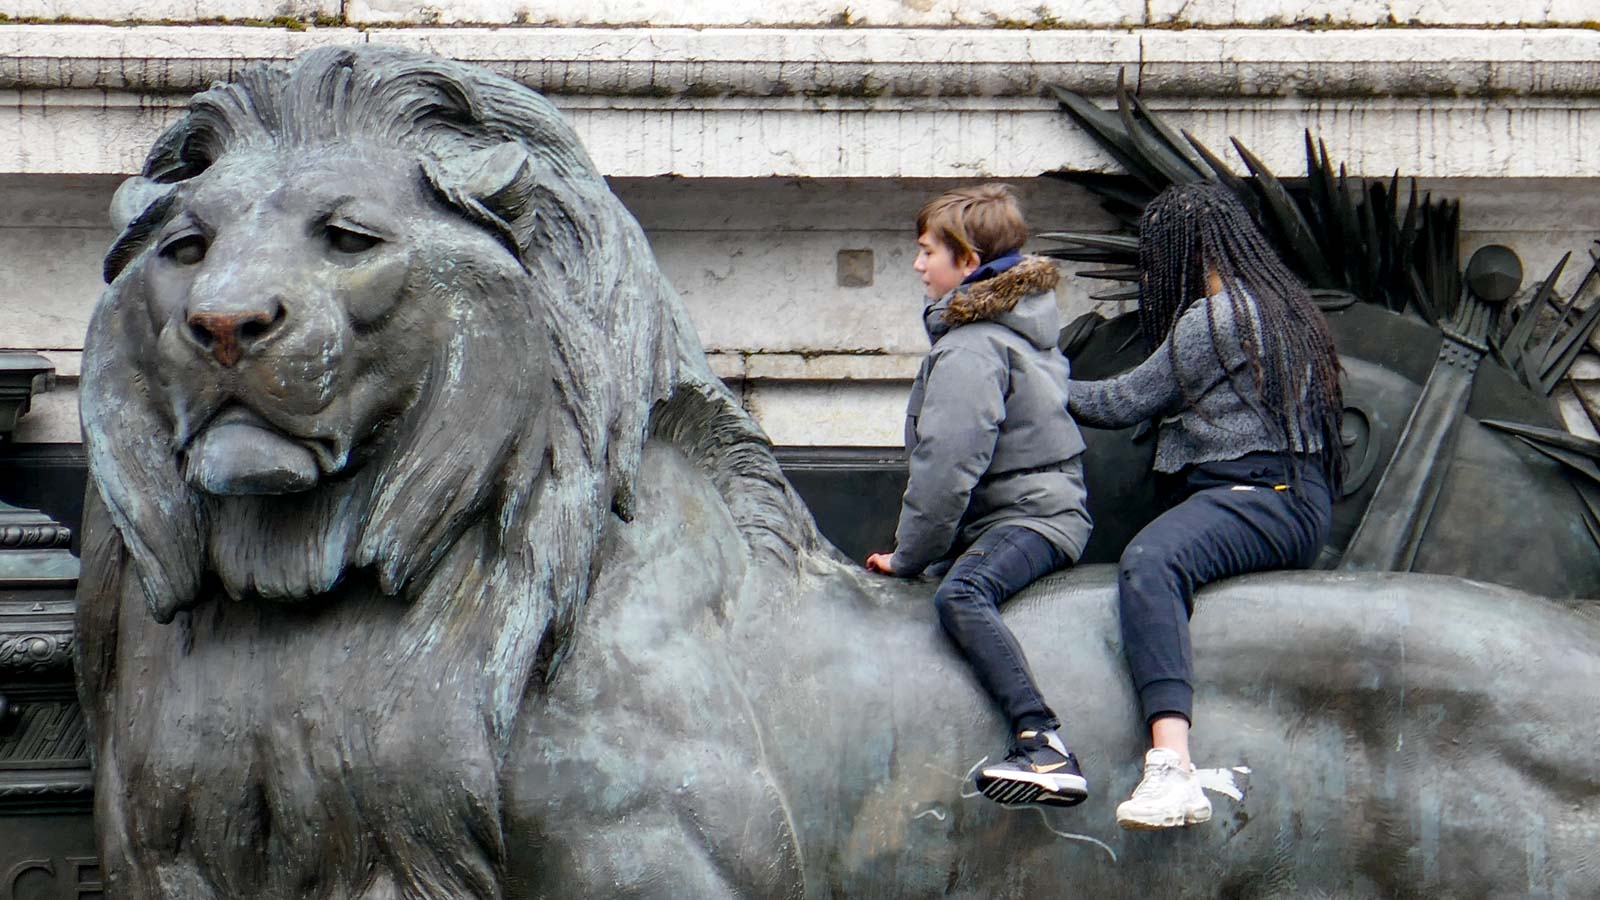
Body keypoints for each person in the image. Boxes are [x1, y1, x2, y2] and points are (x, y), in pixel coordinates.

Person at [1069, 181, 1343, 829]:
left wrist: (1029, 376)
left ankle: (1171, 767)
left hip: (1260, 494)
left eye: (1158, 257)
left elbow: (1123, 401)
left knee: (1153, 560)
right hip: (1287, 496)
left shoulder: (1218, 317)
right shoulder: (1280, 307)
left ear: (1184, 253)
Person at [866, 184, 1094, 807]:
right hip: (1034, 509)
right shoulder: (1015, 330)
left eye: (927, 251)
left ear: (967, 261)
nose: (917, 264)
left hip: (1032, 517)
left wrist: (910, 556)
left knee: (962, 593)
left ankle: (1043, 743)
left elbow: (946, 467)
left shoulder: (972, 346)